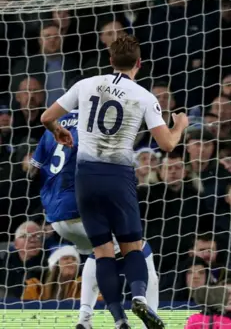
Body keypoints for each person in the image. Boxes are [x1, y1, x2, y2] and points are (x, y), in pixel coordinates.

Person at [40, 35, 189, 329]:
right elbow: (168, 144)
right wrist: (180, 125)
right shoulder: (145, 97)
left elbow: (46, 117)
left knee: (101, 251)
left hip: (85, 179)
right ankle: (140, 298)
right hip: (118, 178)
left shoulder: (85, 84)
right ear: (139, 64)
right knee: (133, 246)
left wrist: (57, 130)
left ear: (109, 61)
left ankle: (118, 318)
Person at [29, 111, 160, 329]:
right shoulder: (96, 124)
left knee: (98, 252)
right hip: (83, 207)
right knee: (140, 249)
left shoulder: (53, 125)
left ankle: (86, 319)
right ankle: (144, 309)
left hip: (55, 216)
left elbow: (32, 171)